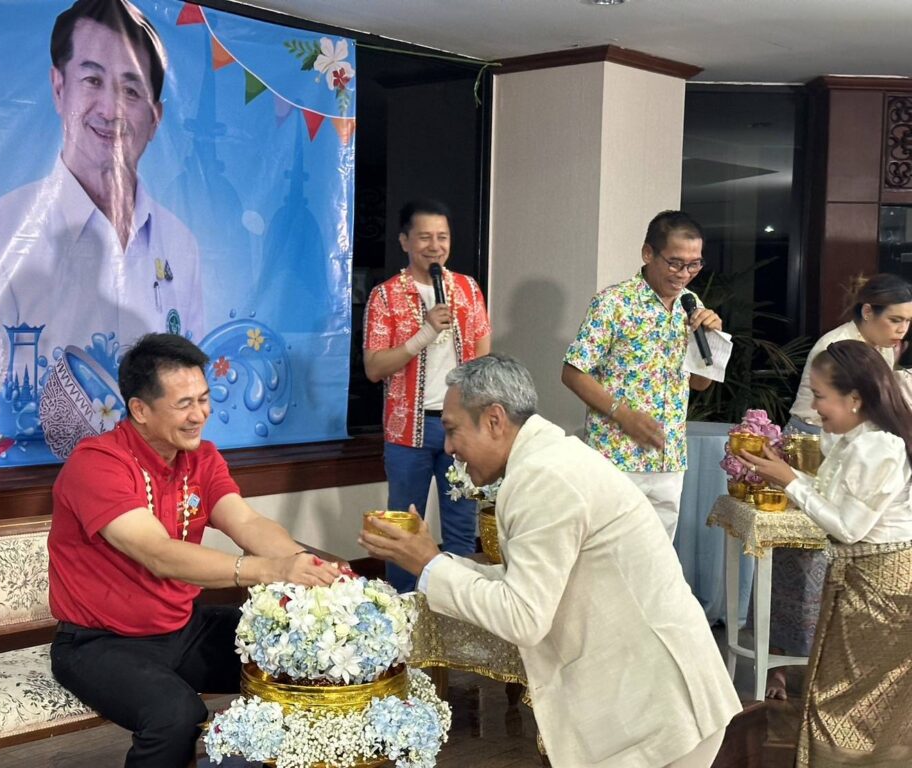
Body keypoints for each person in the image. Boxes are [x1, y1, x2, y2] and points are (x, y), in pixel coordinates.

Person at [361, 355, 741, 768]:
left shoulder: (543, 476)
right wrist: (434, 561)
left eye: (452, 430)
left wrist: (429, 566)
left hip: (662, 711)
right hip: (654, 700)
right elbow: (526, 581)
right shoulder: (547, 460)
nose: (448, 447)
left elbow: (523, 617)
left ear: (494, 420)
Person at [48, 333, 339, 768]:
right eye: (184, 404)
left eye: (204, 399)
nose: (199, 414)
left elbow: (247, 523)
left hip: (182, 627)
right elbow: (158, 553)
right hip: (99, 643)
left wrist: (302, 563)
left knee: (300, 654)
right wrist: (270, 570)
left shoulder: (201, 457)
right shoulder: (97, 464)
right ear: (140, 410)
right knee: (176, 716)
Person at [0, 0, 203, 385]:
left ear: (155, 119)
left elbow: (192, 389)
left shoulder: (180, 245)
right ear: (59, 88)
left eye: (131, 90)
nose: (111, 110)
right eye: (93, 81)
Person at [741, 340, 912, 766]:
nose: (814, 408)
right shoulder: (854, 440)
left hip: (883, 586)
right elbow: (832, 500)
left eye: (820, 396)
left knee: (844, 702)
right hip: (864, 581)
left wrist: (789, 481)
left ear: (854, 398)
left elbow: (849, 528)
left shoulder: (877, 447)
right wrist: (785, 475)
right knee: (834, 694)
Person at [561, 210, 722, 540]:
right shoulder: (613, 303)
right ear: (649, 253)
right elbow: (573, 372)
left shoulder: (691, 304)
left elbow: (700, 383)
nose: (684, 274)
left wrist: (712, 338)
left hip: (669, 458)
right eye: (675, 263)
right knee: (608, 555)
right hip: (616, 455)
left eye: (694, 265)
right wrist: (625, 415)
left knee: (657, 558)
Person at [362, 199, 491, 592]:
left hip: (462, 428)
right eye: (424, 237)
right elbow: (374, 368)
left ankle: (457, 606)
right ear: (405, 241)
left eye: (442, 237)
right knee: (403, 525)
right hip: (408, 432)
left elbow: (483, 354)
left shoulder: (467, 289)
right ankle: (402, 609)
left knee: (461, 524)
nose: (434, 246)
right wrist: (425, 333)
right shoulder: (386, 296)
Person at [789, 273, 912, 433]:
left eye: (908, 321)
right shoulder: (836, 347)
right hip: (813, 434)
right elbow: (852, 408)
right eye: (895, 320)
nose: (903, 330)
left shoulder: (885, 346)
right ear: (867, 312)